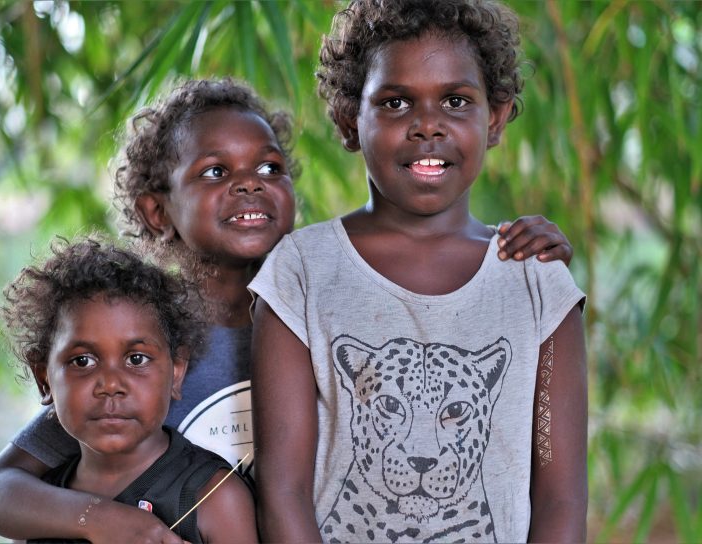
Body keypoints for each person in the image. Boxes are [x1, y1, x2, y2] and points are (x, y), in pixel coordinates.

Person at [0, 77, 574, 542]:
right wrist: (102, 521)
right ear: (158, 211)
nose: (249, 183)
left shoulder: (319, 304)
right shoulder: (136, 350)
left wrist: (517, 254)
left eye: (269, 168)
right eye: (215, 171)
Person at [249, 1, 588, 543]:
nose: (427, 124)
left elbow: (562, 498)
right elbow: (282, 491)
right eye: (396, 101)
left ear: (494, 118)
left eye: (456, 100)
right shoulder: (301, 273)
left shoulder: (537, 282)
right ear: (347, 118)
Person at [0, 236, 256, 543]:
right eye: (82, 361)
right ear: (45, 380)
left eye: (136, 359)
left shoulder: (213, 497)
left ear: (176, 372)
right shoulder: (41, 508)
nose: (110, 384)